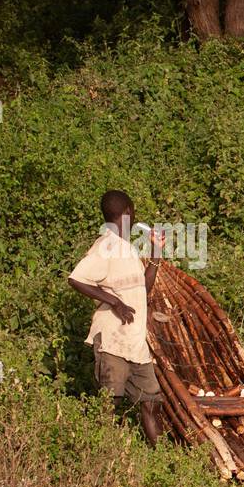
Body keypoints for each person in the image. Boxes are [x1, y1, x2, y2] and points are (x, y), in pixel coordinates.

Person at [68, 190, 163, 445]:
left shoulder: (125, 249)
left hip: (135, 345)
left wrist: (155, 256)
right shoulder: (106, 246)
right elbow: (76, 278)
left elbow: (143, 289)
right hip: (112, 341)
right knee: (109, 405)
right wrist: (115, 302)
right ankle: (100, 461)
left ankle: (164, 460)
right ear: (128, 212)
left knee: (151, 402)